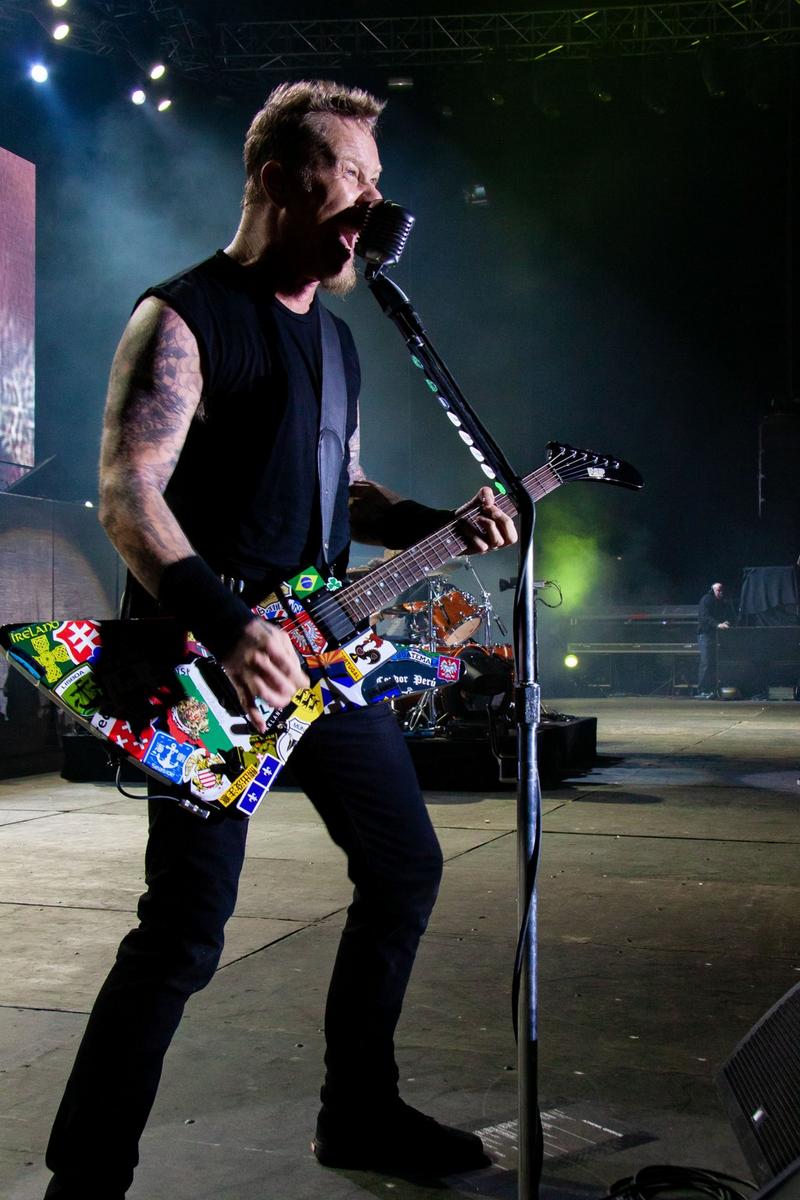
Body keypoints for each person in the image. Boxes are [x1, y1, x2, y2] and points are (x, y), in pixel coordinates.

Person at [41, 80, 517, 1198]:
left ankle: (359, 1114)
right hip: (207, 671)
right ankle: (86, 1180)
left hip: (318, 655)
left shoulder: (339, 344)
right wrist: (225, 619)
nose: (372, 204)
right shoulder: (183, 316)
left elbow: (341, 487)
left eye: (378, 182)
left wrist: (442, 524)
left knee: (403, 867)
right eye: (351, 175)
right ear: (276, 179)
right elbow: (127, 492)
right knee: (184, 931)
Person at [696, 581, 733, 698]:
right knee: (706, 662)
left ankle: (712, 689)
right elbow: (705, 617)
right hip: (705, 635)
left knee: (714, 663)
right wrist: (717, 624)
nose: (721, 592)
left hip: (716, 635)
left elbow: (723, 615)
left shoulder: (721, 602)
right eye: (718, 590)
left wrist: (725, 621)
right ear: (712, 590)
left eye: (722, 590)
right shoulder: (706, 600)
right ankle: (702, 690)